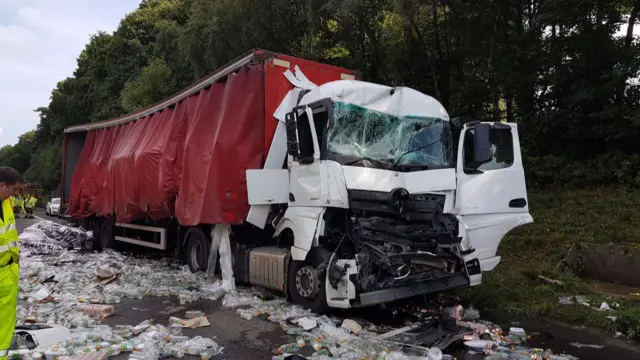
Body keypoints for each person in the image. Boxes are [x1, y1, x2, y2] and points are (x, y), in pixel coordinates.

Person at [0, 166, 22, 360]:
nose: (16, 194)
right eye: (13, 190)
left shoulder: (7, 203)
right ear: (1, 186)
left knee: (6, 321)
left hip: (8, 271)